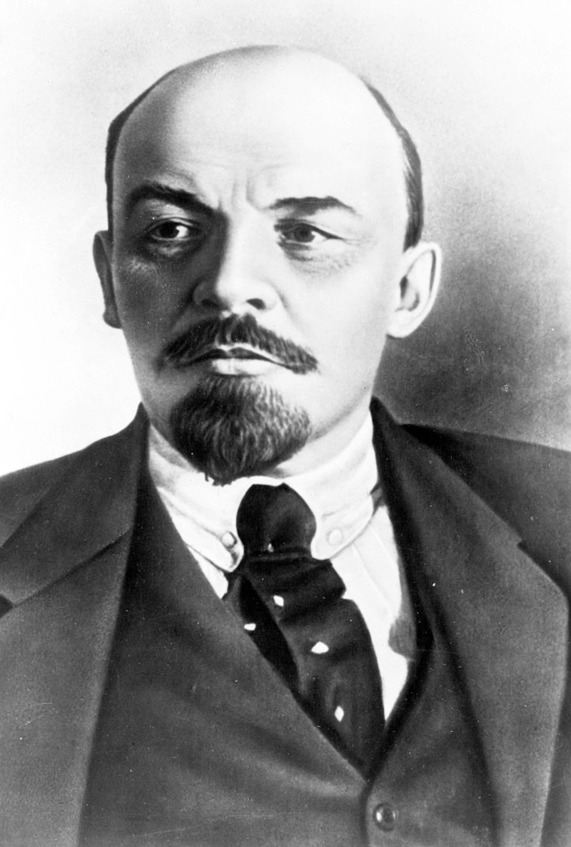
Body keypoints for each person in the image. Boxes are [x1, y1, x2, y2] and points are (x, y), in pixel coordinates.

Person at [0, 45, 568, 847]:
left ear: (407, 289)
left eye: (303, 233)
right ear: (109, 280)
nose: (229, 282)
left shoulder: (556, 520)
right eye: (170, 230)